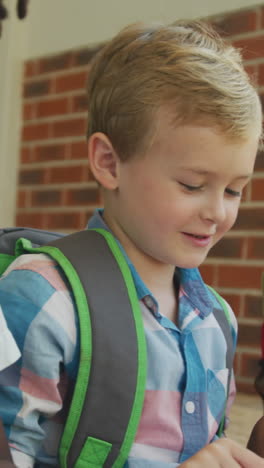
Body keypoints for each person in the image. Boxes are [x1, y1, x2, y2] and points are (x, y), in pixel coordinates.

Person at [0, 19, 263, 467]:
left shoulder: (218, 321)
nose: (218, 212)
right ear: (109, 162)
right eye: (192, 184)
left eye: (235, 190)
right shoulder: (42, 299)